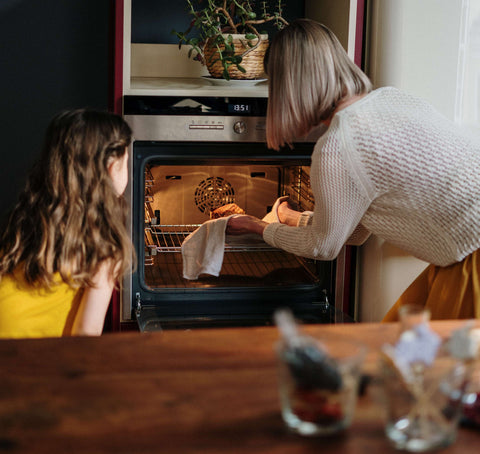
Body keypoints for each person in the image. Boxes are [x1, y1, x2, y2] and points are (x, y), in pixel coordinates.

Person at [226, 18, 480, 320]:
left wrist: (260, 227)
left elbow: (324, 247)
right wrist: (291, 217)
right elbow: (356, 230)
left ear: (289, 88)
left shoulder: (337, 145)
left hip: (471, 261)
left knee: (432, 361)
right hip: (464, 253)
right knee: (399, 348)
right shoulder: (393, 98)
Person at [0, 108, 134, 338]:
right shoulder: (105, 245)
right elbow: (86, 332)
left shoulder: (29, 214)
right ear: (112, 169)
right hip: (27, 358)